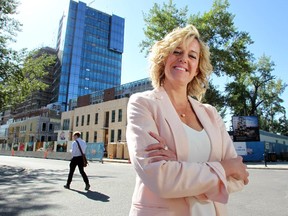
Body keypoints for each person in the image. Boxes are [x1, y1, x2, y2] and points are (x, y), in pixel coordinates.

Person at [126, 25, 249, 216]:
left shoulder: (210, 113)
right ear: (163, 58)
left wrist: (180, 169)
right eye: (177, 51)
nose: (184, 59)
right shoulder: (143, 104)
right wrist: (222, 169)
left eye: (192, 55)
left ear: (197, 68)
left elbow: (238, 176)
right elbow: (161, 179)